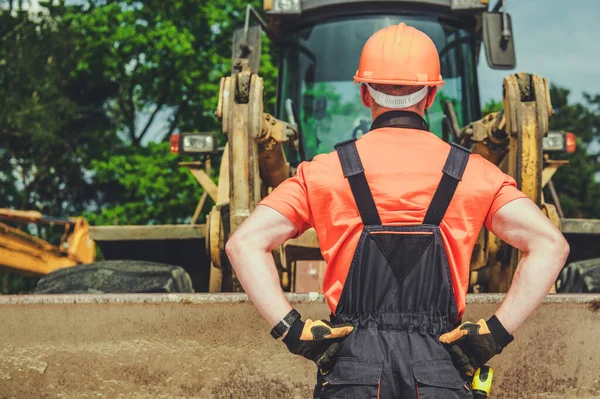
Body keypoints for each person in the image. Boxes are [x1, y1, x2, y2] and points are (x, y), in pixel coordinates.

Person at [226, 23, 569, 398]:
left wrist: (293, 331)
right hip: (440, 369)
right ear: (433, 95)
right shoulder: (475, 173)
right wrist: (493, 336)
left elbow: (243, 244)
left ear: (363, 93)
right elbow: (550, 245)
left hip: (353, 373)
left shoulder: (323, 172)